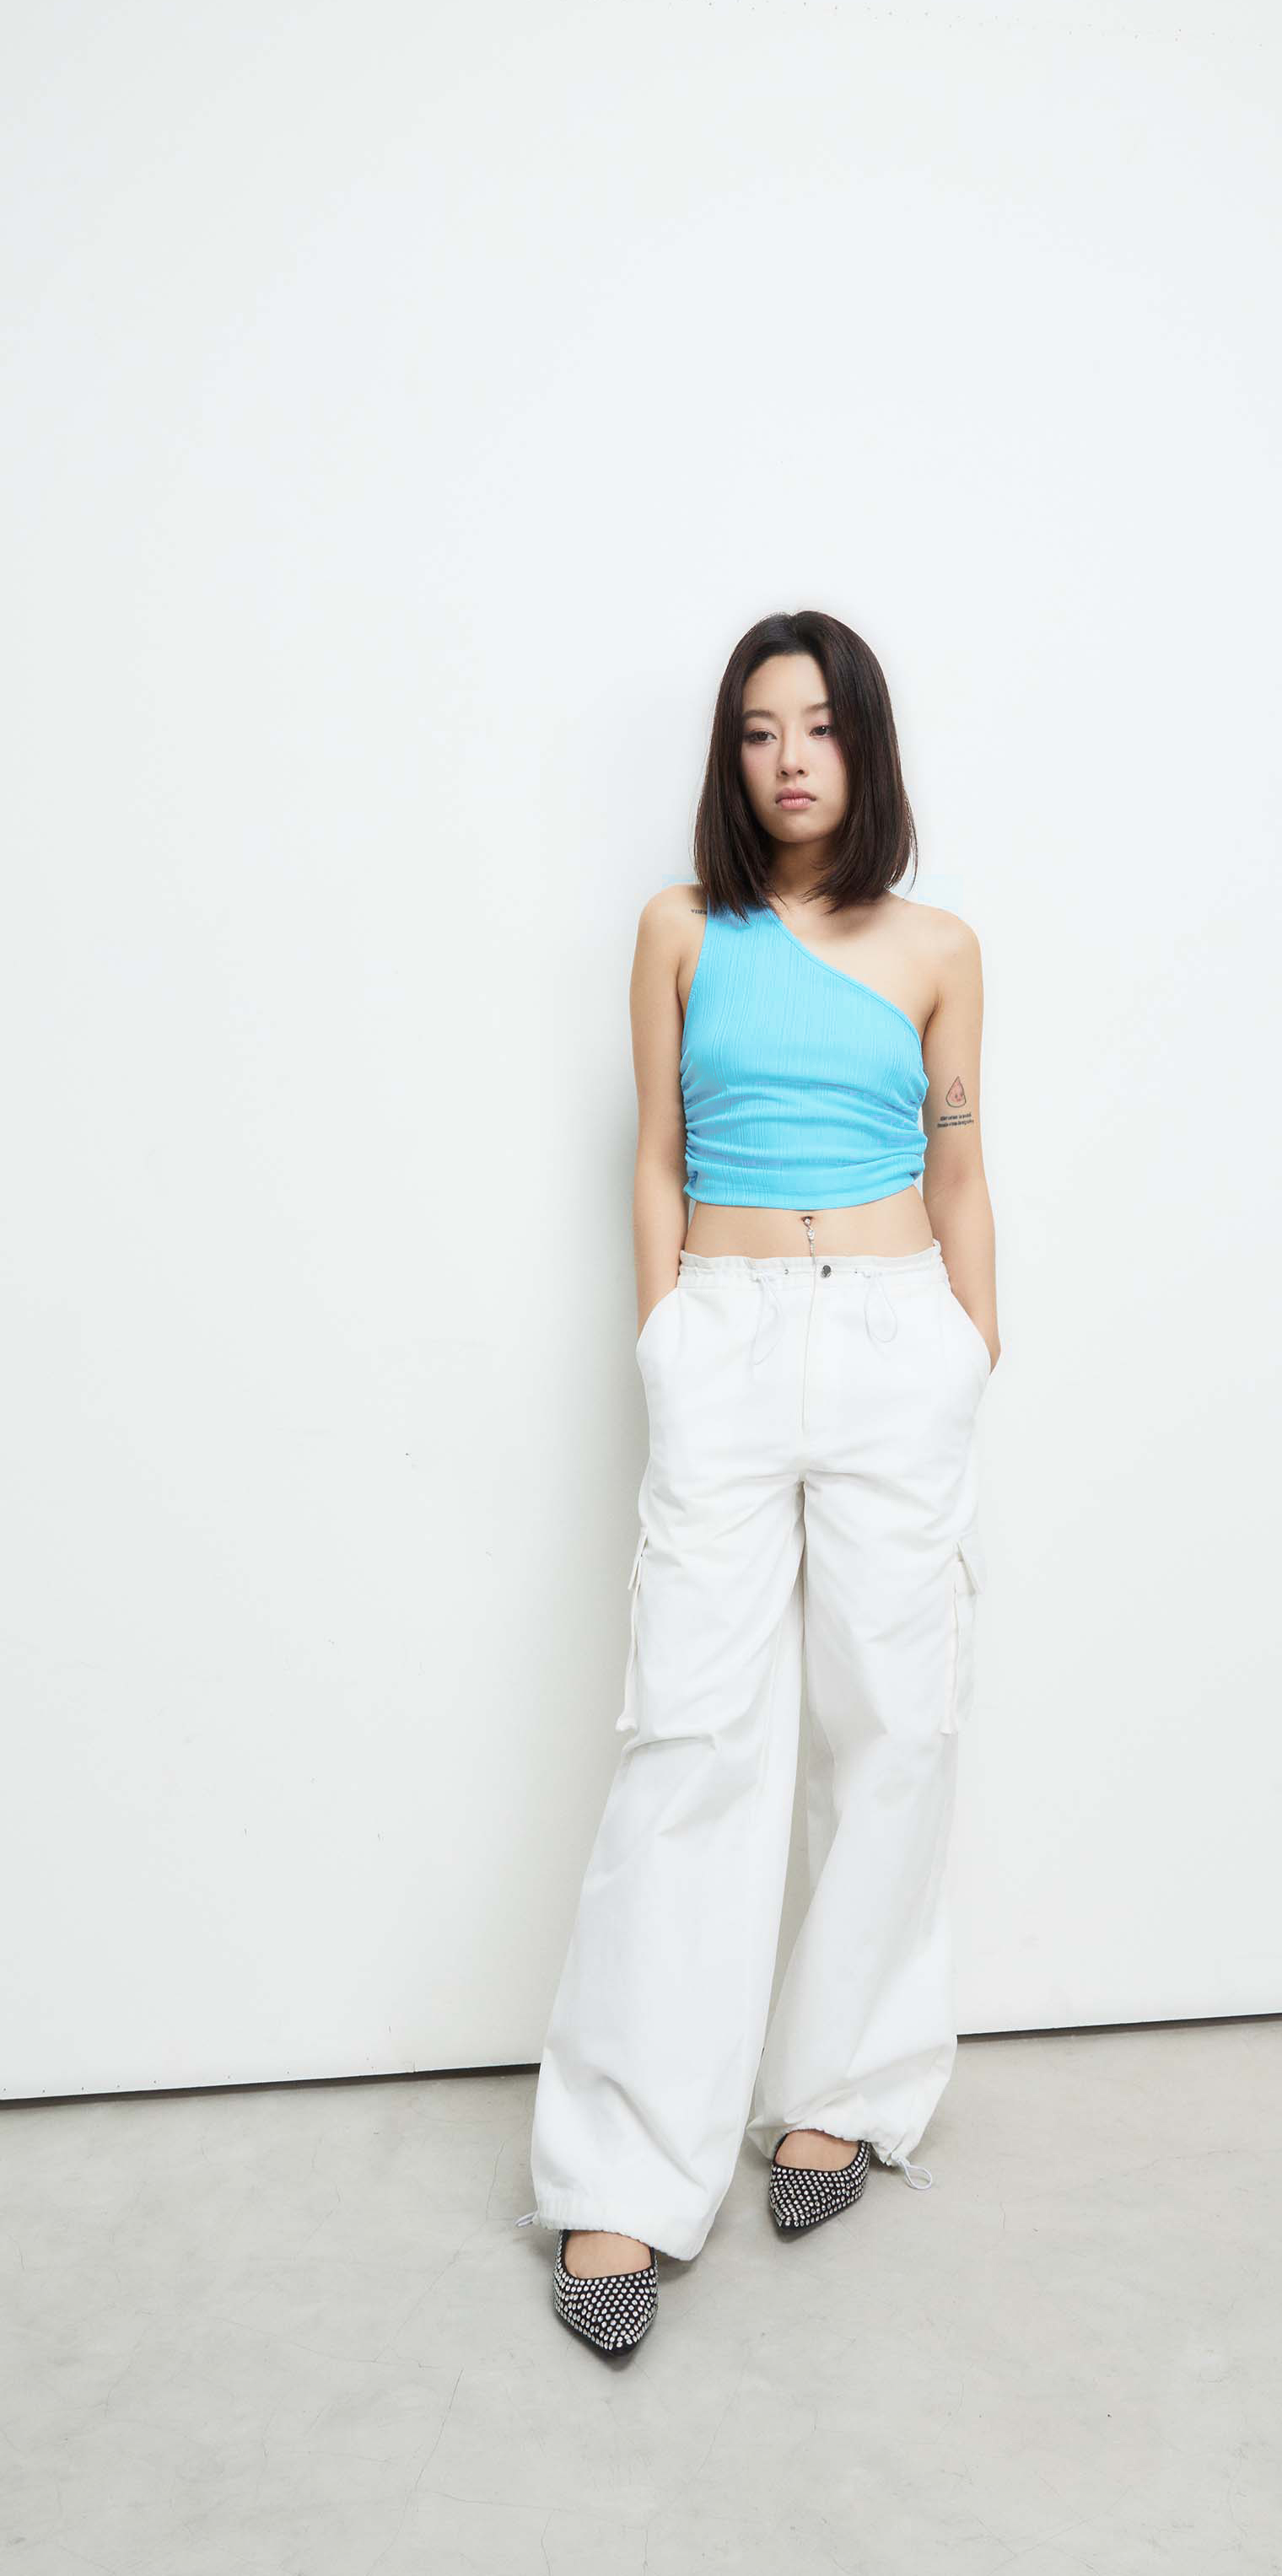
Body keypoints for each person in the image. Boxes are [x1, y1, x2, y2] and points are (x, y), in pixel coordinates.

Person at [515, 609, 999, 2353]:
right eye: (756, 730)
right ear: (731, 757)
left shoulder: (937, 945)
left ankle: (844, 2092)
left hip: (894, 1337)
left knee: (894, 1721)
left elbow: (959, 1162)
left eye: (819, 727)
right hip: (722, 1339)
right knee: (691, 1740)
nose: (789, 759)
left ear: (865, 747)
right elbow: (654, 1153)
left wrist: (972, 1346)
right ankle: (624, 2173)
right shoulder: (679, 929)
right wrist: (667, 1337)